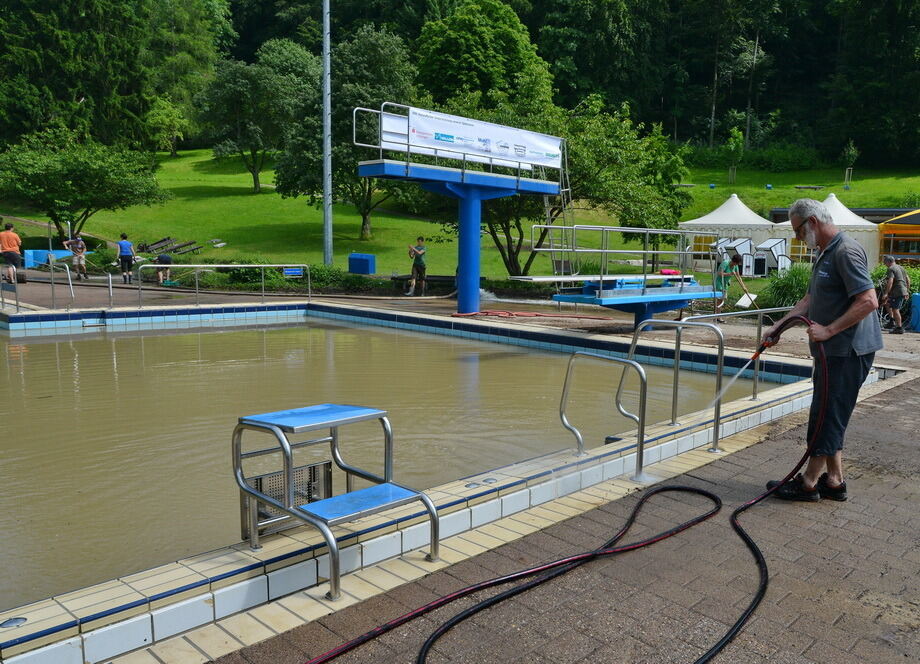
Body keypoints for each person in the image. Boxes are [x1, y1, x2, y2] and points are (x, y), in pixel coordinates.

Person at [763, 199, 882, 502]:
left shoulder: (845, 251)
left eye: (798, 231)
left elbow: (869, 301)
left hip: (847, 351)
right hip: (833, 353)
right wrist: (778, 328)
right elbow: (807, 301)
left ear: (812, 222)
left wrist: (829, 330)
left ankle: (808, 483)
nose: (798, 238)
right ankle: (835, 481)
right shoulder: (825, 253)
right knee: (831, 415)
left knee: (826, 417)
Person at [880, 255, 910, 334]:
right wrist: (907, 290)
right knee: (887, 303)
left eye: (885, 262)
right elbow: (907, 279)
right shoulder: (901, 267)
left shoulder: (891, 268)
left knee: (895, 309)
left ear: (888, 262)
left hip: (897, 291)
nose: (884, 264)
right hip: (901, 290)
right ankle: (891, 321)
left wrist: (886, 293)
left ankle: (899, 328)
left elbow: (890, 281)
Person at [714, 253, 745, 321]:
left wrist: (743, 286)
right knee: (719, 300)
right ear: (734, 261)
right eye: (736, 263)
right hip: (719, 283)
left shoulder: (735, 266)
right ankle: (717, 317)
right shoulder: (725, 263)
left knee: (722, 300)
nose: (736, 265)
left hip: (725, 285)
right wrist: (730, 274)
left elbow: (738, 276)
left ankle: (717, 316)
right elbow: (719, 273)